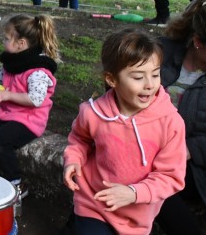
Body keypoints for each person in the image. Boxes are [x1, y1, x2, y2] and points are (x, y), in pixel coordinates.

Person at [63, 29, 186, 235]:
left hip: (136, 217)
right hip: (93, 205)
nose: (150, 85)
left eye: (155, 74)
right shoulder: (92, 113)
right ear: (112, 79)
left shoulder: (170, 122)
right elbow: (79, 140)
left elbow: (171, 176)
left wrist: (133, 193)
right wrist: (73, 160)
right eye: (138, 77)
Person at [0, 13, 59, 196]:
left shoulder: (38, 70)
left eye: (6, 39)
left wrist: (8, 95)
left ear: (20, 44)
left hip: (29, 121)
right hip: (7, 115)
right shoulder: (10, 63)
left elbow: (36, 99)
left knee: (0, 142)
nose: (3, 42)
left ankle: (17, 183)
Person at [152, 0, 206, 234]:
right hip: (144, 144)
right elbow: (120, 83)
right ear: (197, 42)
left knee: (151, 184)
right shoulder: (161, 51)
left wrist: (189, 149)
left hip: (193, 165)